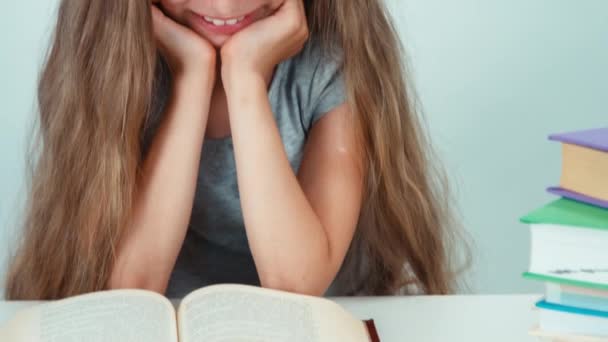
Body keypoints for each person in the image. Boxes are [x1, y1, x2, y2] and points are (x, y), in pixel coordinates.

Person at [4, 0, 468, 300]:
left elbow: (295, 285)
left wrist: (243, 77)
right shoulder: (113, 71)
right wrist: (191, 77)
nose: (225, 4)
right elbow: (132, 286)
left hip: (317, 322)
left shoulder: (329, 68)